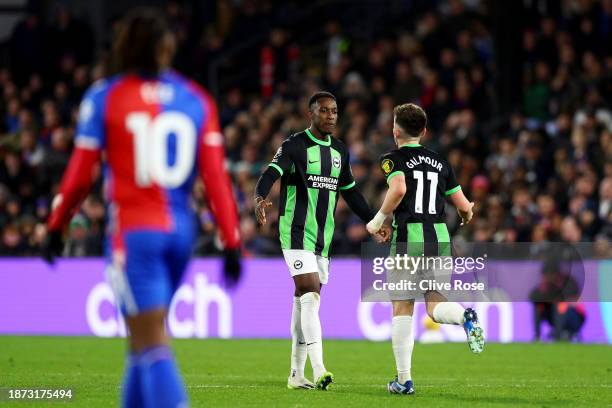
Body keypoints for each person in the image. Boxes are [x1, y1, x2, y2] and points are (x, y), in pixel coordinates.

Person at [42, 8, 241, 408]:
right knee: (140, 342)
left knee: (151, 343)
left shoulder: (106, 96)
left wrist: (56, 225)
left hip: (135, 236)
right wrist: (232, 241)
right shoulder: (196, 99)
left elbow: (81, 176)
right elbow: (216, 178)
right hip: (181, 235)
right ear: (166, 48)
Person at [254, 91, 389, 390]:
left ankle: (295, 374)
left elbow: (351, 193)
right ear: (311, 113)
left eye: (334, 111)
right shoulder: (294, 145)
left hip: (322, 239)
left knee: (304, 303)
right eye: (324, 110)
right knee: (309, 291)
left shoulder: (340, 151)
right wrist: (259, 197)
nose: (330, 115)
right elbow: (270, 173)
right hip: (295, 231)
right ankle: (319, 369)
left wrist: (373, 220)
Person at [365, 103, 483, 396]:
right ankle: (464, 318)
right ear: (424, 131)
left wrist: (377, 220)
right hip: (440, 240)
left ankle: (404, 381)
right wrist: (467, 215)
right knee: (435, 305)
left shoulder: (392, 159)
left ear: (395, 131)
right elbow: (465, 206)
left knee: (403, 305)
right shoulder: (441, 162)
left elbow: (399, 189)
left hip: (409, 241)